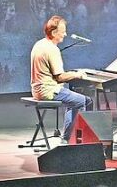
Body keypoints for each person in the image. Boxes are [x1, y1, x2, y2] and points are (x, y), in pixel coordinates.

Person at [30, 15, 91, 143]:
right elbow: (60, 77)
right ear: (53, 32)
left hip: (37, 90)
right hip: (49, 91)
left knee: (84, 100)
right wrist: (77, 74)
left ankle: (75, 137)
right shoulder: (52, 49)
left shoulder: (39, 44)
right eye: (62, 32)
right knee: (81, 101)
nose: (65, 34)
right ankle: (68, 140)